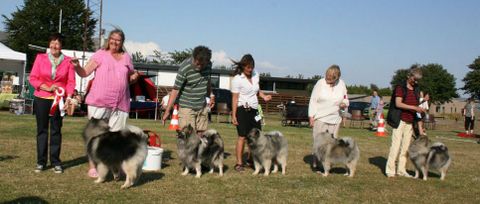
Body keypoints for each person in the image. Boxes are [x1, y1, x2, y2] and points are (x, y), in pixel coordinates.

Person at [72, 29, 140, 178]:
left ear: (122, 42)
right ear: (108, 40)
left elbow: (131, 75)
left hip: (120, 103)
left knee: (116, 139)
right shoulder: (100, 54)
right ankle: (92, 167)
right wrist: (77, 66)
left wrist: (134, 76)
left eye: (118, 40)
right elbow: (84, 72)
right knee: (94, 136)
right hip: (99, 101)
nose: (115, 42)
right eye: (113, 39)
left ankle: (114, 169)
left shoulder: (127, 58)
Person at [29, 33, 76, 173]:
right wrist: (47, 87)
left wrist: (69, 97)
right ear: (49, 44)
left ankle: (56, 162)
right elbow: (33, 78)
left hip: (59, 100)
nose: (54, 46)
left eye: (58, 43)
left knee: (56, 131)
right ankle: (41, 162)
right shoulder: (40, 58)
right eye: (52, 43)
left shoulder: (68, 61)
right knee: (42, 130)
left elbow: (71, 81)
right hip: (42, 98)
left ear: (61, 46)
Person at [231, 54, 272, 171]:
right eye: (248, 67)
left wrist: (263, 96)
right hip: (242, 110)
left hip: (255, 110)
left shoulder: (255, 75)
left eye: (252, 67)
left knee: (256, 137)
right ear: (243, 66)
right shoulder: (237, 79)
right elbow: (234, 98)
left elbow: (257, 90)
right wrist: (234, 115)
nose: (250, 70)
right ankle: (239, 163)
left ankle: (250, 160)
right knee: (242, 137)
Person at [162, 46, 214, 137]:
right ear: (193, 57)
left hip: (202, 107)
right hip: (186, 108)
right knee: (188, 137)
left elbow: (208, 80)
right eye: (197, 63)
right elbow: (175, 90)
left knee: (201, 137)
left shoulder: (209, 65)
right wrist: (167, 111)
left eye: (202, 65)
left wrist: (211, 95)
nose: (199, 67)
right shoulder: (184, 67)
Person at [385, 67, 425, 178]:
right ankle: (390, 171)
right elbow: (398, 104)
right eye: (414, 79)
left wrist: (419, 116)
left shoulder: (416, 89)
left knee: (406, 148)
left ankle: (401, 170)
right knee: (396, 146)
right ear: (409, 76)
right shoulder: (400, 87)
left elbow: (416, 106)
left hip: (410, 121)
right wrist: (414, 108)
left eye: (417, 80)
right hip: (399, 120)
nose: (416, 82)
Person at [308, 65, 349, 139]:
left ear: (336, 78)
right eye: (326, 76)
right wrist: (311, 116)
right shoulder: (320, 83)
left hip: (335, 120)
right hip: (321, 119)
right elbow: (313, 100)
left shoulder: (342, 84)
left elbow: (345, 99)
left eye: (330, 78)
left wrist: (344, 105)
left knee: (332, 146)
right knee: (319, 146)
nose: (327, 79)